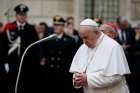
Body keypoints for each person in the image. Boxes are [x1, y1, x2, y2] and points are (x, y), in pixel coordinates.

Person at [69, 18, 130, 93]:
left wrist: (88, 79)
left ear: (96, 33)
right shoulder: (83, 48)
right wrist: (77, 80)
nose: (84, 41)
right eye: (82, 38)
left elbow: (116, 77)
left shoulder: (113, 46)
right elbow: (76, 72)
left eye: (86, 37)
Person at [37, 15, 82, 93]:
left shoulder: (70, 40)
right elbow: (42, 54)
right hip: (49, 74)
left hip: (63, 75)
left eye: (58, 25)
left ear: (63, 26)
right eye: (55, 25)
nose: (56, 27)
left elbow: (73, 58)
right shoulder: (48, 39)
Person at [3, 4, 39, 93]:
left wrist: (34, 63)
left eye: (24, 14)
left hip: (27, 65)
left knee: (25, 87)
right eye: (20, 14)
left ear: (26, 16)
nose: (22, 16)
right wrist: (5, 62)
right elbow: (3, 46)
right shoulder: (9, 27)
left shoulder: (31, 29)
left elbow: (35, 47)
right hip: (12, 63)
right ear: (16, 15)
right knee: (11, 86)